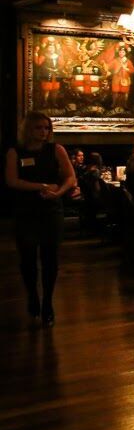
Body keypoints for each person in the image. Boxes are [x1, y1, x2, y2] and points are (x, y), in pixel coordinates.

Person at [5, 112, 76, 326]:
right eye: (39, 128)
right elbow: (11, 180)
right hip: (25, 211)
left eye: (46, 128)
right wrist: (42, 186)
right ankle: (32, 296)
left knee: (50, 259)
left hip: (51, 210)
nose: (43, 132)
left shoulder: (56, 150)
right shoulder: (15, 152)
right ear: (28, 129)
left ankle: (47, 303)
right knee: (27, 259)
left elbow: (70, 177)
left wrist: (58, 192)